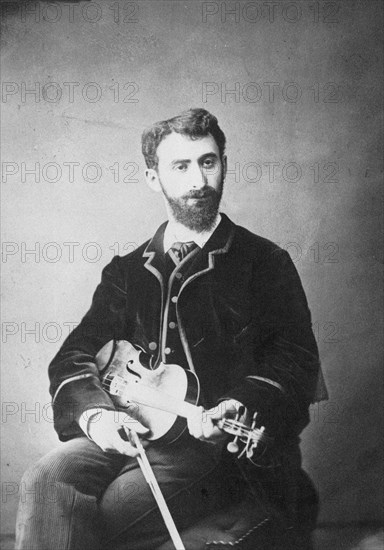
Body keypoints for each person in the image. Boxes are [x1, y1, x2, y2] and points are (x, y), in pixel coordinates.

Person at [15, 108, 326, 550]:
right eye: (181, 166)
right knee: (46, 479)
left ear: (223, 165)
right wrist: (99, 417)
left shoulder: (265, 262)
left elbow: (295, 359)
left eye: (208, 161)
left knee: (115, 509)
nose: (198, 180)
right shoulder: (125, 272)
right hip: (132, 427)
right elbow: (73, 356)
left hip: (215, 453)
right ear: (153, 178)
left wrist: (240, 405)